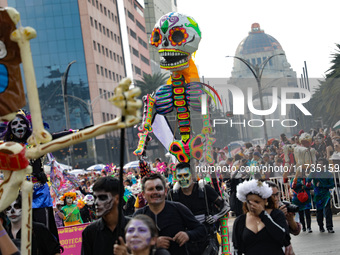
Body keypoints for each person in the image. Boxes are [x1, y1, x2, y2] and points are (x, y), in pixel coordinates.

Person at [134, 173, 206, 255]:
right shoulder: (139, 216)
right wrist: (152, 244)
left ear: (165, 191)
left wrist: (188, 235)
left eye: (159, 188)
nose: (155, 192)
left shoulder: (178, 208)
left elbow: (202, 230)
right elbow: (129, 242)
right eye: (150, 189)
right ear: (143, 194)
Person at [168, 162, 230, 255]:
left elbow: (225, 206)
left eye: (186, 175)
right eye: (180, 176)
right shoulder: (173, 194)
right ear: (176, 177)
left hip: (207, 237)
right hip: (185, 240)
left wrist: (215, 217)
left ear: (192, 175)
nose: (183, 179)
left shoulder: (204, 189)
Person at [232, 179, 288, 255]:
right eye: (249, 202)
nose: (252, 206)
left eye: (257, 202)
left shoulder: (276, 214)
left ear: (265, 201)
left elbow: (282, 237)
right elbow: (237, 248)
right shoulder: (240, 220)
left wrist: (263, 215)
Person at [81, 176, 128, 255]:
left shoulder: (136, 228)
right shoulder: (89, 232)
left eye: (102, 197)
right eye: (95, 197)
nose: (96, 202)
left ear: (117, 199)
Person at [266, 181, 301, 255]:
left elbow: (296, 231)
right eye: (272, 195)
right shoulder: (261, 212)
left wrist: (290, 219)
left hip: (286, 249)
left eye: (277, 194)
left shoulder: (281, 205)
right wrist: (277, 215)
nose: (275, 198)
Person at [307, 158, 335, 233]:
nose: (319, 166)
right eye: (318, 164)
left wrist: (322, 185)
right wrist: (313, 186)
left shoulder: (329, 174)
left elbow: (332, 185)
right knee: (319, 211)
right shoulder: (314, 173)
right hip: (317, 195)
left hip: (326, 195)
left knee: (328, 211)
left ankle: (329, 227)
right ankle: (321, 226)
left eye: (321, 164)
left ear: (325, 165)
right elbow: (307, 181)